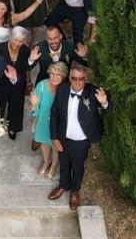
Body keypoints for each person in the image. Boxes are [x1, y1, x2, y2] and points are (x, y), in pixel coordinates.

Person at [47, 64, 109, 210]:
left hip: (81, 140)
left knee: (77, 166)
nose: (77, 82)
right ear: (69, 78)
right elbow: (54, 113)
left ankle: (75, 191)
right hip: (63, 137)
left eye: (80, 79)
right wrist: (54, 138)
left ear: (85, 79)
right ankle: (63, 186)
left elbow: (109, 107)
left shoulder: (92, 91)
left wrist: (104, 102)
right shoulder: (62, 89)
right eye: (74, 78)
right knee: (64, 162)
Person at [30, 61, 66, 179]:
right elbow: (33, 107)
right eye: (52, 73)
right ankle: (46, 161)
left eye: (58, 74)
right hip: (43, 119)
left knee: (55, 145)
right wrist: (33, 104)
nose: (54, 77)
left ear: (63, 76)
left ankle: (54, 165)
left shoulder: (66, 89)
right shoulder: (41, 85)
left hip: (58, 123)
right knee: (44, 141)